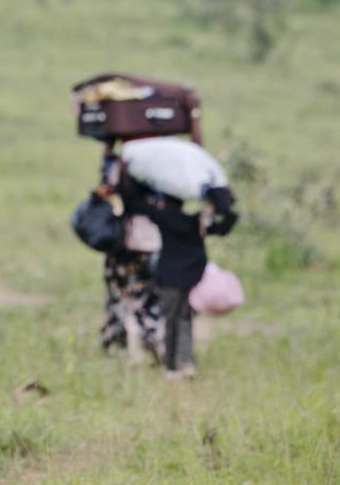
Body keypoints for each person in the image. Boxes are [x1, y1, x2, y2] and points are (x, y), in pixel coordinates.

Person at [121, 174, 237, 379]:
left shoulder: (166, 217)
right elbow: (226, 224)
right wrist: (222, 198)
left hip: (170, 277)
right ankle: (185, 362)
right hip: (193, 276)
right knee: (185, 318)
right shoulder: (197, 221)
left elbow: (136, 203)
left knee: (171, 320)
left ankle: (172, 366)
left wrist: (129, 179)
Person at [97, 141, 163, 362]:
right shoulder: (160, 168)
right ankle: (146, 337)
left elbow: (106, 191)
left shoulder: (117, 167)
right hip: (150, 241)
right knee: (145, 296)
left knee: (120, 294)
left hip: (123, 242)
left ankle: (121, 340)